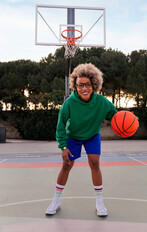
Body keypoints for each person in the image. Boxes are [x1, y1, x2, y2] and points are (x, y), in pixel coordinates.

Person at [45, 63, 117, 217]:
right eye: (80, 85)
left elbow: (117, 118)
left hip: (92, 136)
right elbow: (60, 126)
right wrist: (63, 146)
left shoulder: (101, 102)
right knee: (66, 165)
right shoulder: (69, 103)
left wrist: (130, 120)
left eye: (87, 85)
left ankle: (99, 202)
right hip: (73, 136)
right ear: (75, 87)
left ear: (94, 84)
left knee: (95, 163)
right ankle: (56, 200)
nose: (84, 88)